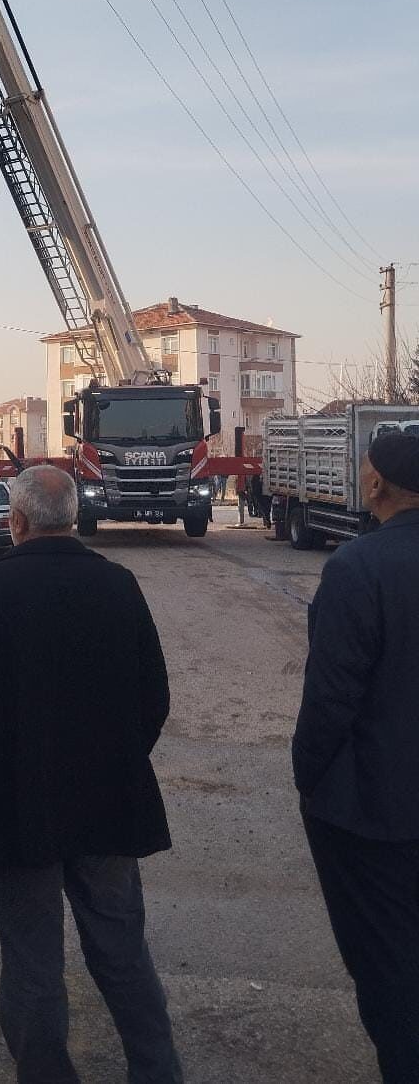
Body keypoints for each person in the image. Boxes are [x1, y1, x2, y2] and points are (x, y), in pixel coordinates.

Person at [0, 465, 183, 1084]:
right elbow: (153, 694)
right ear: (73, 517)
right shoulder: (117, 584)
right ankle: (158, 1071)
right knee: (123, 950)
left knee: (32, 961)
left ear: (15, 521)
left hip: (13, 804)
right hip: (108, 802)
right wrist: (120, 757)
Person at [292, 433, 419, 1083]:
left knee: (389, 969)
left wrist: (310, 781)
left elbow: (331, 699)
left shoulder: (359, 567)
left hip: (377, 815)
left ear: (375, 487)